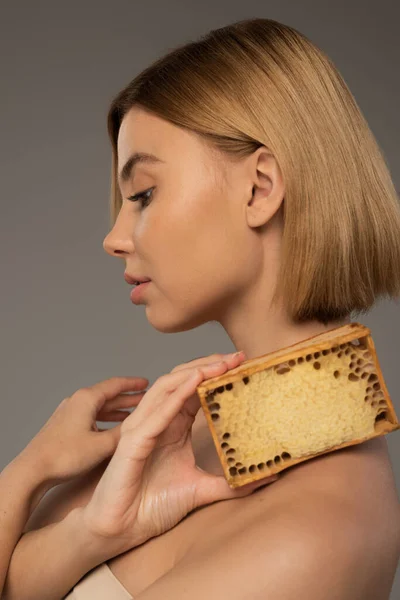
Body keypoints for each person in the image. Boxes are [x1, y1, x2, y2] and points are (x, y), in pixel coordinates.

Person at [2, 15, 400, 600]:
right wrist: (46, 485)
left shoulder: (312, 538)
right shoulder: (189, 431)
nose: (113, 237)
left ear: (261, 188)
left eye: (142, 194)